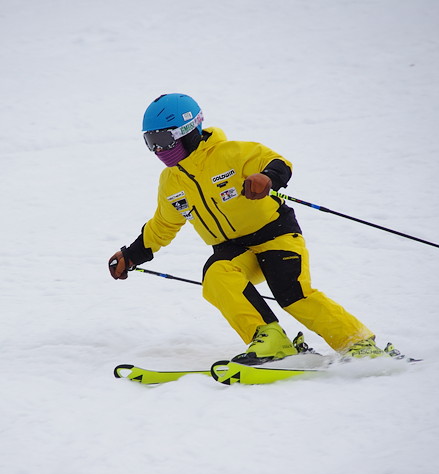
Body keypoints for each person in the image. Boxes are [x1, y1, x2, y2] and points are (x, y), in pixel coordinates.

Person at [109, 93, 396, 364]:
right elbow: (163, 224)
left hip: (275, 235)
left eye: (163, 139)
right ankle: (270, 340)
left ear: (188, 130)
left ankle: (358, 344)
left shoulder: (233, 153)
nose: (158, 149)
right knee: (216, 276)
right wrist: (131, 255)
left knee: (291, 293)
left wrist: (267, 177)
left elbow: (278, 163)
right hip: (233, 250)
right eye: (150, 142)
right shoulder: (171, 181)